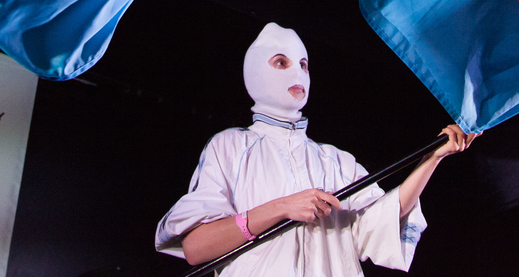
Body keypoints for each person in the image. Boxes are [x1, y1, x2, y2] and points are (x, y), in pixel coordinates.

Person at [155, 23, 475, 275]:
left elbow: (383, 221)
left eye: (304, 65)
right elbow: (197, 247)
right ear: (256, 73)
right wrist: (283, 207)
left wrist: (433, 158)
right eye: (281, 62)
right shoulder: (229, 147)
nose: (298, 73)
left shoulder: (337, 161)